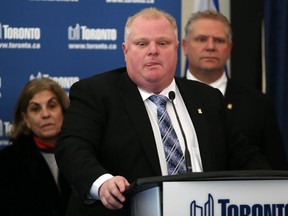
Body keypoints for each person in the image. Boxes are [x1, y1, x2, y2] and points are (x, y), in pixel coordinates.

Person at [55, 7, 271, 216]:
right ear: (125, 50)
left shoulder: (208, 97)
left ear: (177, 47)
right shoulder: (96, 93)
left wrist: (272, 187)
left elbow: (244, 154)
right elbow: (73, 147)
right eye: (142, 43)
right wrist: (102, 183)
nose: (153, 50)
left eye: (162, 42)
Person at [182, 10, 287, 170]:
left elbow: (276, 171)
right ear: (184, 46)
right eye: (201, 39)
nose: (210, 47)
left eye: (219, 40)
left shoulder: (258, 104)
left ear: (229, 48)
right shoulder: (167, 98)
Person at [0, 77, 71, 216]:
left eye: (52, 105)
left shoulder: (84, 155)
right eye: (36, 108)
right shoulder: (6, 164)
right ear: (26, 119)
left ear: (63, 111)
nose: (45, 114)